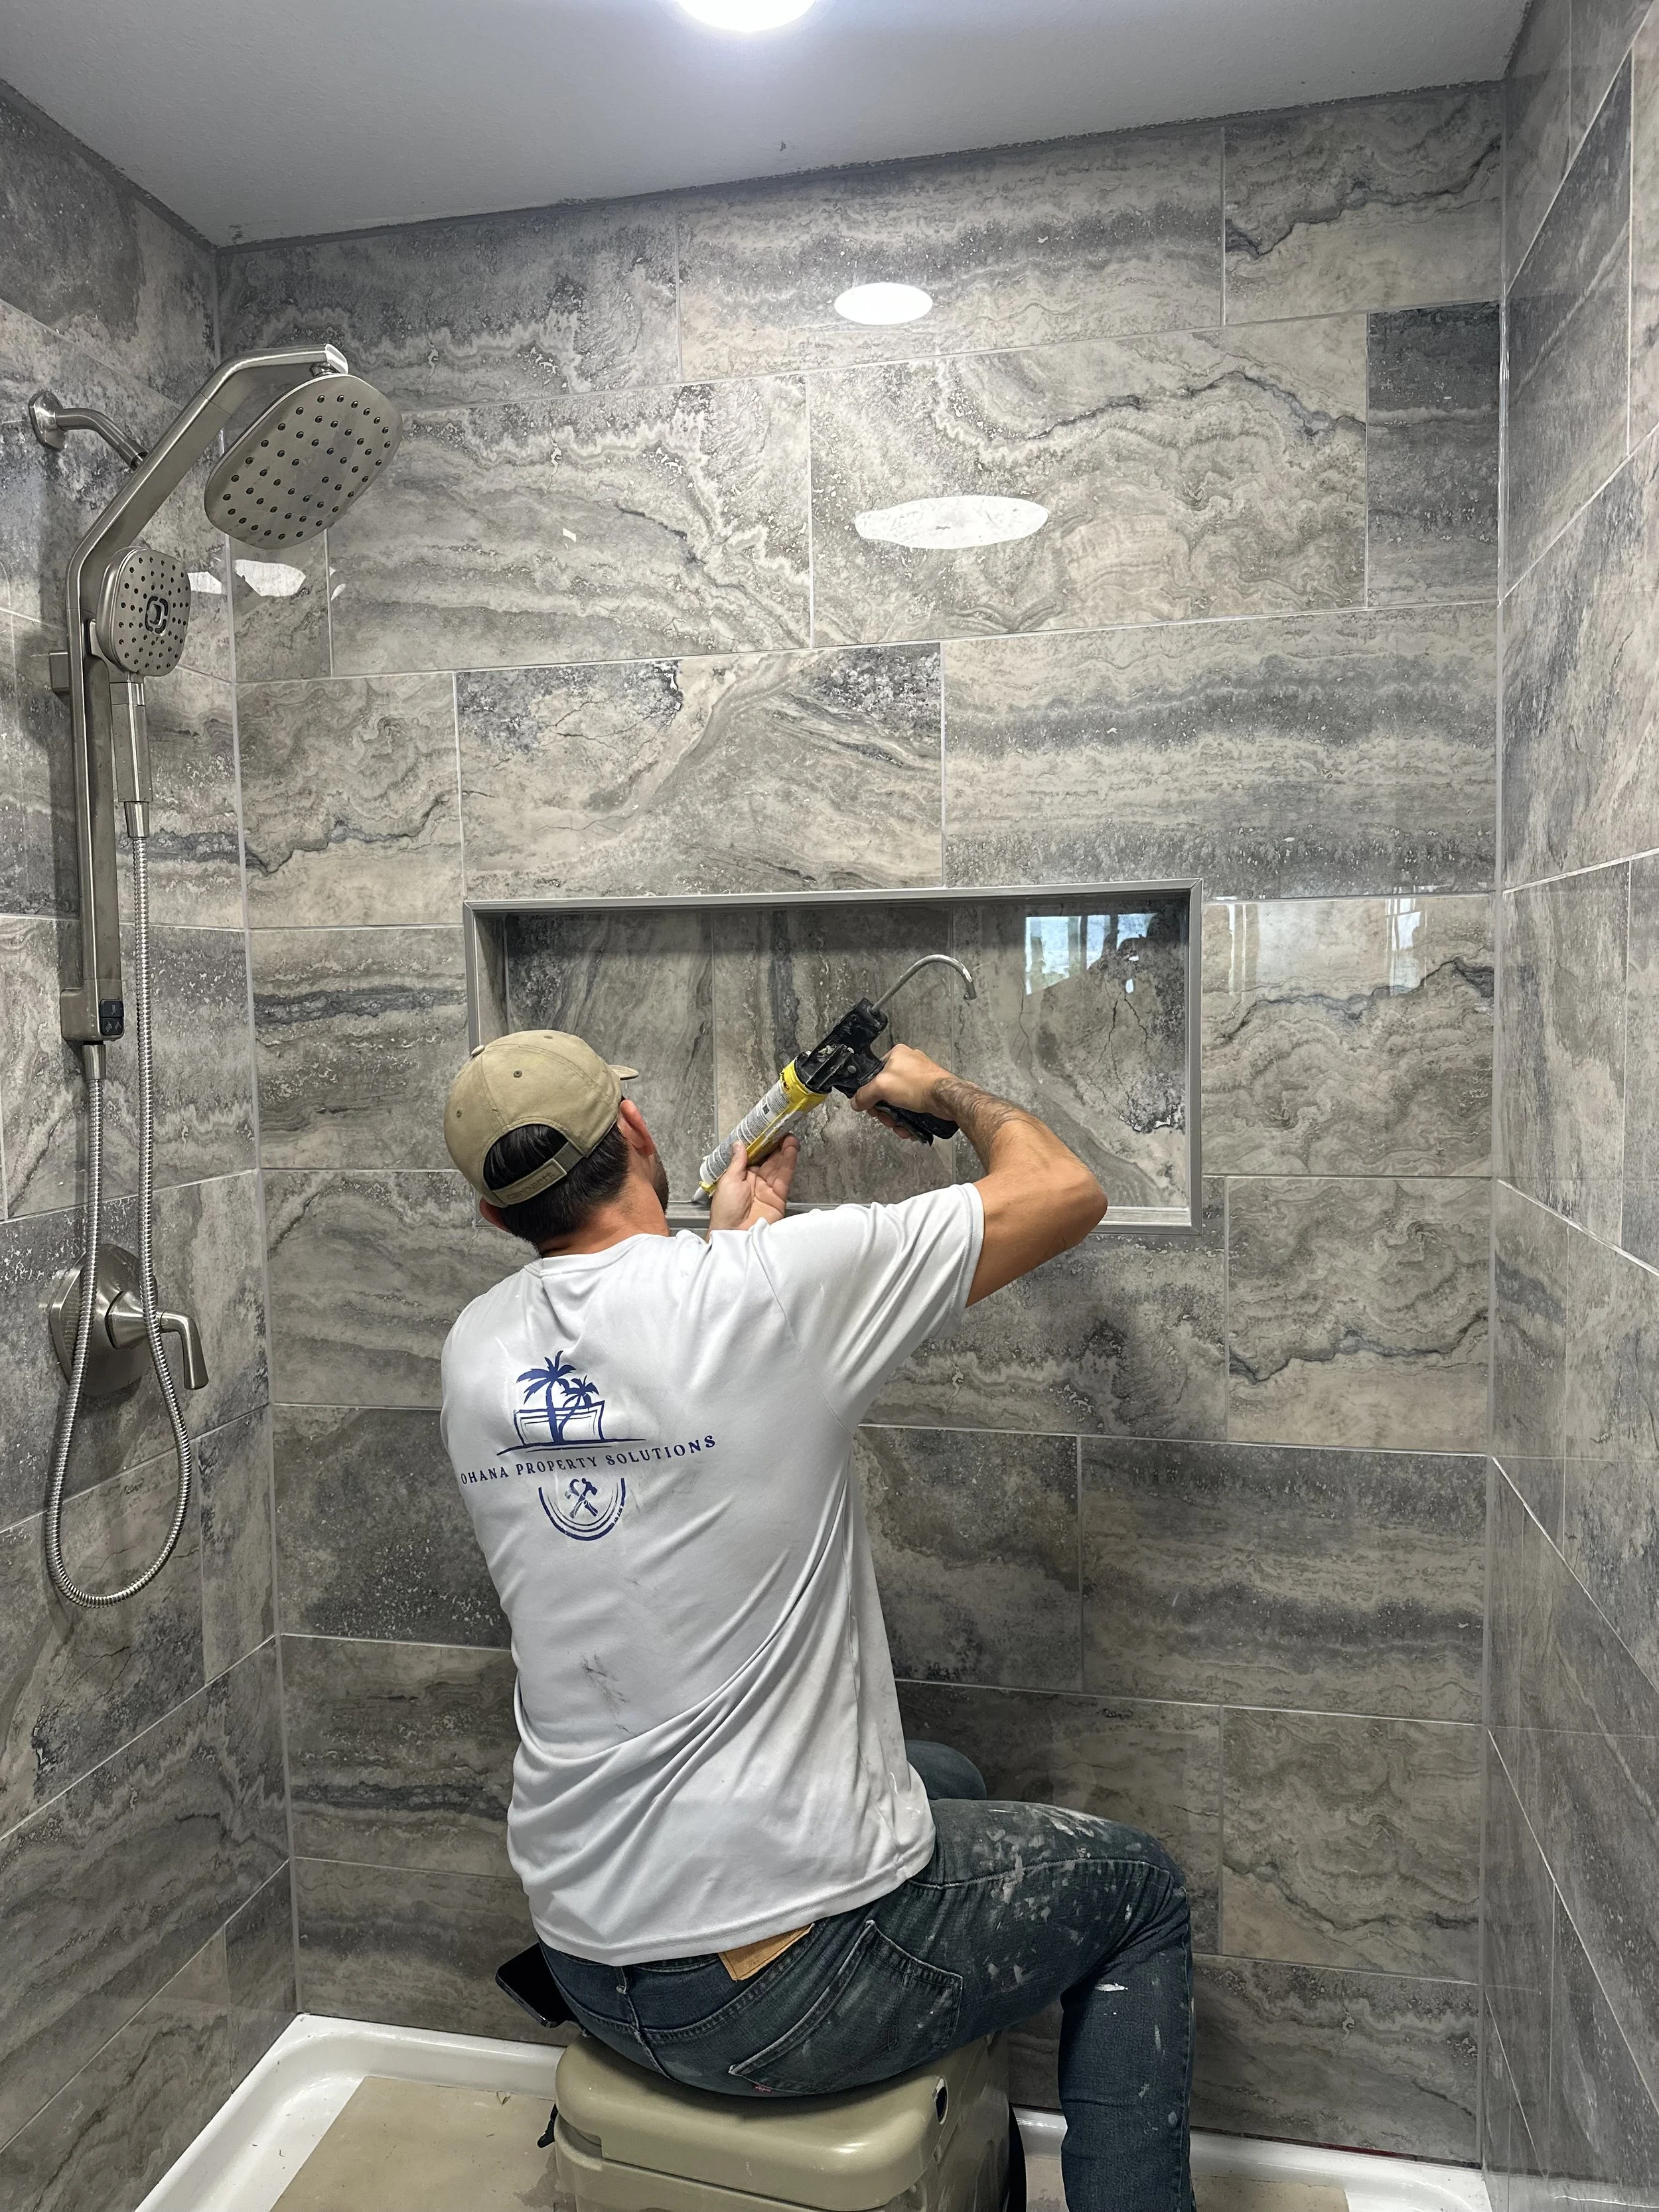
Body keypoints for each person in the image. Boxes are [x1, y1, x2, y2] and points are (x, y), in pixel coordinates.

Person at [439, 1028, 1194, 2212]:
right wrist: (933, 1089)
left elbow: (660, 1389)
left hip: (588, 1955)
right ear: (634, 1133)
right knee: (1138, 1890)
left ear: (495, 1223)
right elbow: (1062, 1190)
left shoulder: (474, 1352)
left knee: (934, 1769)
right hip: (772, 1991)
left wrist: (737, 1243)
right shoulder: (764, 1296)